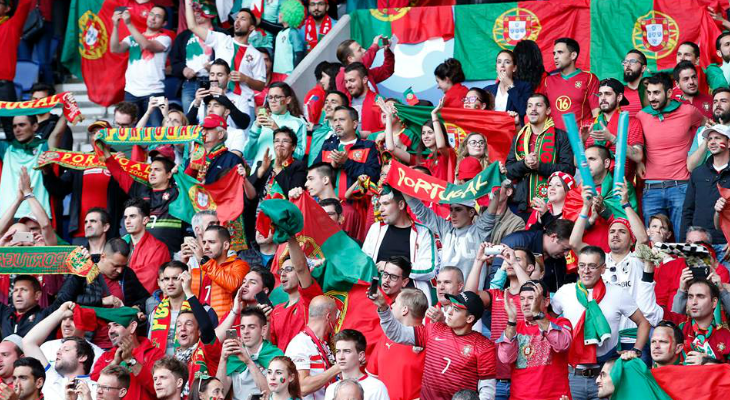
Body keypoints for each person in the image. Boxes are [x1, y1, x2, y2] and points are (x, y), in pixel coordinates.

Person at [570, 187, 663, 356]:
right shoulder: (599, 261)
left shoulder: (638, 259)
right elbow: (575, 243)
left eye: (622, 232)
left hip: (633, 337)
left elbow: (643, 238)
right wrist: (585, 206)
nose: (615, 235)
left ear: (631, 238)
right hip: (604, 337)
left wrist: (625, 204)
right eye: (612, 231)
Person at [551, 246, 651, 400]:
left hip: (605, 376)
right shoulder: (565, 292)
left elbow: (644, 323)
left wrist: (636, 351)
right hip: (572, 375)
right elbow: (549, 322)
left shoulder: (618, 293)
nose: (586, 271)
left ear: (603, 268)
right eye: (582, 265)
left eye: (592, 266)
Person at [371, 289, 496, 400]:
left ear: (469, 319)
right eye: (451, 306)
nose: (450, 312)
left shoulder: (484, 347)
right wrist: (383, 308)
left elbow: (487, 391)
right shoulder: (434, 329)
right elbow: (396, 333)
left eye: (456, 309)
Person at [637, 72, 705, 238]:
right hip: (651, 187)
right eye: (649, 93)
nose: (652, 98)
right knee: (653, 244)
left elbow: (706, 127)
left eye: (657, 93)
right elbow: (636, 142)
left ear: (668, 93)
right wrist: (639, 161)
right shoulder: (642, 115)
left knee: (683, 238)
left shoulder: (688, 112)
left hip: (681, 186)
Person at [54, 238, 149, 350]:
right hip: (88, 343)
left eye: (123, 266)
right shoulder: (84, 271)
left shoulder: (127, 274)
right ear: (103, 257)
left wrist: (136, 308)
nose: (120, 271)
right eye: (115, 265)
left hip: (121, 345)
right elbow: (65, 301)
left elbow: (145, 298)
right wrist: (101, 301)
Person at [96, 140, 186, 253]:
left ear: (168, 174)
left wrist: (179, 176)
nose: (152, 173)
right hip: (143, 255)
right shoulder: (140, 190)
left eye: (157, 170)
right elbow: (119, 173)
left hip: (171, 255)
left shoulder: (178, 192)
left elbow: (192, 175)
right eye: (150, 170)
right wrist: (106, 152)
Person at [185, 0, 266, 119]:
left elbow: (261, 85)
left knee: (241, 137)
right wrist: (188, 3)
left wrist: (246, 79)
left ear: (251, 27)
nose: (237, 21)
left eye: (243, 19)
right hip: (217, 101)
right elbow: (193, 26)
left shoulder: (256, 54)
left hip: (243, 103)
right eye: (236, 18)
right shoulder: (222, 39)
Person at [497, 280, 572, 400]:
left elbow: (562, 345)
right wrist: (511, 320)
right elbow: (505, 358)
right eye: (522, 299)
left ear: (546, 301)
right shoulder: (513, 328)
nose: (525, 303)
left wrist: (537, 314)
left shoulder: (561, 323)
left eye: (531, 298)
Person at [505, 93, 575, 217]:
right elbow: (508, 172)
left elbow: (568, 170)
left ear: (548, 110)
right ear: (526, 111)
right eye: (530, 106)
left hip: (552, 208)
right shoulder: (519, 138)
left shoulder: (560, 136)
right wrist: (525, 164)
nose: (533, 109)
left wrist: (539, 166)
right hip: (522, 207)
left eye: (538, 105)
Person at [404, 192, 495, 287]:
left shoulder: (479, 230)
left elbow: (491, 212)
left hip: (470, 298)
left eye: (458, 209)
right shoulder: (445, 228)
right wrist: (400, 185)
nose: (453, 214)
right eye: (451, 210)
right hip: (446, 297)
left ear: (471, 212)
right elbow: (420, 211)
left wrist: (498, 190)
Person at [362, 187, 436, 301]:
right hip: (377, 298)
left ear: (401, 205)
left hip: (410, 301)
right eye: (380, 204)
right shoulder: (375, 228)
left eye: (386, 204)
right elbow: (365, 263)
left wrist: (391, 268)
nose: (380, 209)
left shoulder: (423, 232)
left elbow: (430, 269)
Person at [110, 6, 170, 127]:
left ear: (164, 23)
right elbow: (115, 48)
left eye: (158, 16)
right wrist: (115, 26)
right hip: (131, 91)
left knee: (156, 131)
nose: (153, 18)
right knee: (130, 132)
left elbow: (146, 45)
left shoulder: (165, 38)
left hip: (155, 91)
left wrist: (128, 23)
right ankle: (135, 148)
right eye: (151, 14)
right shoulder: (131, 38)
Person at [22, 303, 95, 400]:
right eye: (59, 350)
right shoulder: (50, 378)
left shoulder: (98, 388)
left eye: (66, 349)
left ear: (82, 357)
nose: (58, 352)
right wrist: (60, 313)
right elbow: (28, 342)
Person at [0, 114, 66, 221]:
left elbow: (57, 134)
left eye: (21, 125)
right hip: (7, 215)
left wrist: (67, 109)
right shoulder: (5, 148)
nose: (17, 129)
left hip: (37, 215)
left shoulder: (43, 147)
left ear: (35, 126)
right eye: (14, 126)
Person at [90, 309, 165, 400]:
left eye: (116, 325)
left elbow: (158, 388)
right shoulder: (106, 357)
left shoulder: (154, 354)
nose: (110, 331)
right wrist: (115, 363)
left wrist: (130, 360)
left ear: (133, 327)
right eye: (109, 327)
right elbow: (93, 385)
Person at [367, 289, 427, 400]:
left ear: (405, 310)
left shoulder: (430, 342)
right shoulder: (387, 336)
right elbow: (372, 378)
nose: (392, 305)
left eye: (395, 302)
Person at [147, 261, 217, 356]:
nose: (170, 283)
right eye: (166, 279)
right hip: (161, 366)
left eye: (176, 278)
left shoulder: (204, 311)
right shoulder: (155, 313)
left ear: (185, 279)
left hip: (193, 367)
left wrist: (188, 290)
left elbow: (213, 345)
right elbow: (150, 346)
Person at [269, 235, 324, 351]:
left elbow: (301, 267)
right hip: (282, 366)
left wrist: (290, 237)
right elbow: (270, 346)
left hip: (308, 365)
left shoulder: (310, 301)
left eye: (289, 270)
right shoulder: (276, 311)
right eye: (281, 271)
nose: (283, 274)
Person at [584, 79, 645, 183]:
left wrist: (612, 138)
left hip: (621, 187)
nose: (602, 98)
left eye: (607, 94)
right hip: (593, 188)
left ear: (619, 97)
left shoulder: (632, 123)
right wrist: (580, 142)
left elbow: (638, 156)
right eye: (600, 94)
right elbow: (577, 164)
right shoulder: (588, 125)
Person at [314, 106, 381, 201]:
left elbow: (374, 176)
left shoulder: (368, 146)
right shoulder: (327, 146)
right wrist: (331, 166)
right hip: (327, 207)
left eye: (341, 120)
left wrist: (347, 163)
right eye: (335, 120)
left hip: (357, 207)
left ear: (354, 124)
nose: (337, 124)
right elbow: (314, 175)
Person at [683, 125, 730, 254]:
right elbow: (688, 210)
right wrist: (684, 243)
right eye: (709, 139)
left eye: (717, 138)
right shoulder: (698, 173)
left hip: (725, 246)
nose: (712, 142)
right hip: (699, 246)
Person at [218, 307, 282, 400]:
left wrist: (248, 361)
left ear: (263, 330)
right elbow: (220, 392)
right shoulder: (234, 356)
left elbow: (273, 395)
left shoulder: (275, 356)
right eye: (242, 327)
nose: (245, 332)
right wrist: (223, 359)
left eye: (251, 327)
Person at [285, 296, 341, 400]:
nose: (337, 320)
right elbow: (302, 387)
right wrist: (338, 368)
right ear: (328, 316)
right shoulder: (300, 344)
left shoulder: (323, 344)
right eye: (337, 315)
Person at [538, 37, 599, 131]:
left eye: (560, 52)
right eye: (554, 53)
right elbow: (540, 112)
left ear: (573, 55)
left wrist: (590, 138)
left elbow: (597, 113)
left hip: (579, 140)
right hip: (554, 140)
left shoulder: (589, 78)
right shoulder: (548, 81)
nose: (555, 56)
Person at [191, 225, 249, 321]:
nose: (206, 247)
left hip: (226, 327)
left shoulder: (239, 265)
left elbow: (233, 285)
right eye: (204, 242)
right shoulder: (201, 268)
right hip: (201, 328)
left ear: (225, 245)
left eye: (212, 242)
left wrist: (205, 262)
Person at [169, 6, 220, 112]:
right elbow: (174, 61)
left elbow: (229, 60)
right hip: (190, 83)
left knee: (212, 117)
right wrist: (183, 69)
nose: (196, 14)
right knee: (189, 119)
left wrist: (215, 69)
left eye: (199, 11)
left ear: (210, 13)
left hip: (214, 83)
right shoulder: (183, 36)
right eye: (194, 11)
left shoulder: (221, 34)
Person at [245, 82, 308, 167]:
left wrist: (277, 130)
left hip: (282, 176)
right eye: (270, 97)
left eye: (277, 97)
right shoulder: (261, 121)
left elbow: (299, 155)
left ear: (288, 100)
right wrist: (256, 128)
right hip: (258, 176)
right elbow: (247, 155)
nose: (273, 101)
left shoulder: (298, 123)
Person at [667, 278, 730, 363]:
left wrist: (708, 361)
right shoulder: (678, 327)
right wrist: (681, 290)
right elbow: (650, 312)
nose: (694, 302)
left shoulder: (726, 336)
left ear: (714, 302)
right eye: (690, 297)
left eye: (700, 296)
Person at [121, 198, 171, 294]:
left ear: (145, 220)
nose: (127, 221)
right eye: (125, 217)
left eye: (132, 216)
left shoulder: (159, 248)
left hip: (144, 302)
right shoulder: (119, 243)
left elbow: (150, 280)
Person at [324, 330, 388, 400]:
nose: (341, 357)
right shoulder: (331, 389)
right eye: (338, 351)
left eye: (347, 351)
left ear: (360, 356)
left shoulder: (376, 388)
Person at [0, 0, 32, 137]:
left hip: (3, 85)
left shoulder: (12, 25)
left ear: (7, 8)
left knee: (10, 128)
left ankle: (13, 157)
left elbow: (25, 4)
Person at [184, 114, 245, 184]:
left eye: (208, 128)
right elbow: (185, 185)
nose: (203, 132)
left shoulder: (232, 159)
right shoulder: (193, 158)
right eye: (202, 129)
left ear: (220, 134)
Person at [249, 127, 307, 201]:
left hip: (284, 209)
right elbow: (247, 190)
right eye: (276, 141)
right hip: (261, 207)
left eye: (285, 141)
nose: (280, 144)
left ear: (293, 147)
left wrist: (278, 169)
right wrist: (261, 171)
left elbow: (294, 195)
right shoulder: (265, 163)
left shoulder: (299, 166)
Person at [0, 275, 61, 339]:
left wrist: (72, 269)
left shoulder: (46, 315)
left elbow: (64, 297)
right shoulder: (5, 314)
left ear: (37, 295)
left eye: (24, 290)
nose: (18, 294)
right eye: (15, 290)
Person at [484, 50, 532, 122]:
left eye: (507, 62)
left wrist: (510, 86)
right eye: (499, 62)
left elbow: (524, 112)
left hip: (513, 131)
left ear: (514, 68)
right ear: (496, 68)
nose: (502, 65)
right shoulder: (487, 90)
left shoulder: (524, 87)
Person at [28, 83, 73, 150]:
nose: (38, 103)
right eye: (35, 99)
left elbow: (65, 154)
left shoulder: (61, 127)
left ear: (51, 102)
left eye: (42, 100)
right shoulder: (24, 124)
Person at [309, 91, 347, 166]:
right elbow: (311, 162)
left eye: (333, 102)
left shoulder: (349, 132)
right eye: (326, 102)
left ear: (343, 107)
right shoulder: (318, 132)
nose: (327, 105)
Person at [272, 0, 306, 76]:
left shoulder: (293, 32)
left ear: (289, 14)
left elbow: (299, 53)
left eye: (282, 12)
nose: (279, 14)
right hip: (277, 74)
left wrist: (294, 73)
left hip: (288, 74)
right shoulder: (280, 33)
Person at [622, 50, 647, 117]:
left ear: (643, 68)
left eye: (632, 61)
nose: (627, 65)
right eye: (625, 62)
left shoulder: (651, 92)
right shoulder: (618, 92)